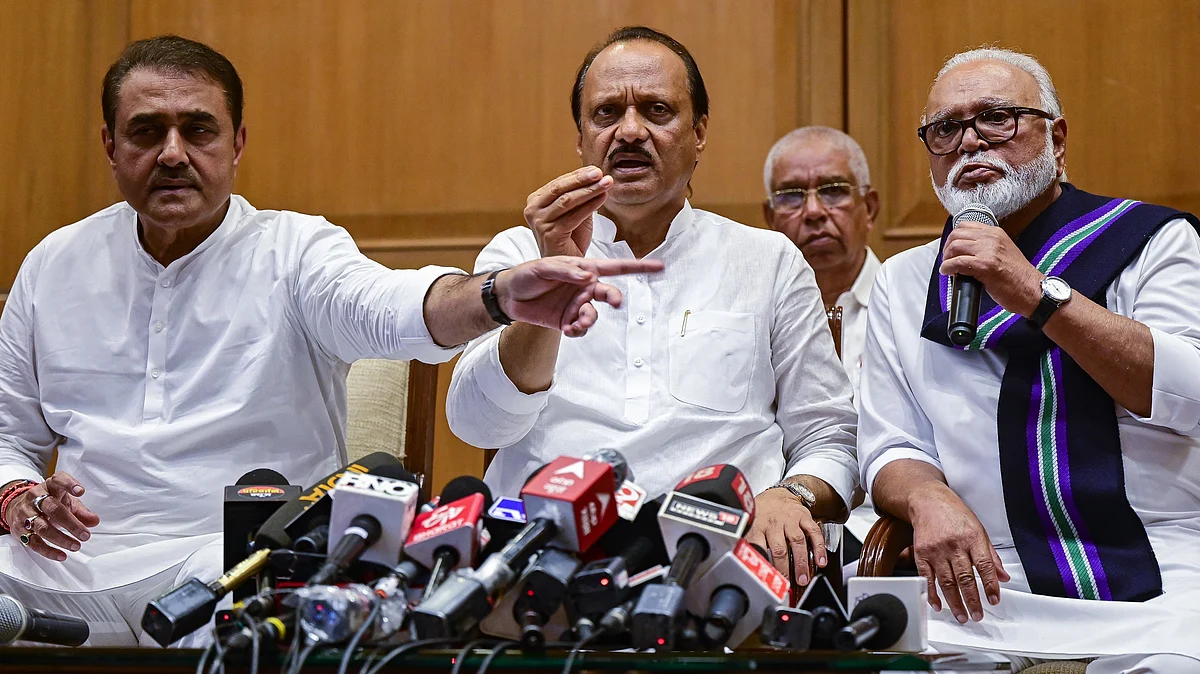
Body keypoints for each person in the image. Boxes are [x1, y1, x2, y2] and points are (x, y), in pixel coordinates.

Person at [0, 35, 660, 647]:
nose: (172, 152)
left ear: (237, 144)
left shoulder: (295, 251)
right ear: (111, 145)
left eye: (198, 129)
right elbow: (9, 437)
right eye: (147, 131)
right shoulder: (53, 265)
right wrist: (20, 497)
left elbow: (390, 308)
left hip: (235, 561)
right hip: (67, 568)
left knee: (272, 605)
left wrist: (495, 296)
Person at [446, 26, 858, 587]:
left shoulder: (767, 260)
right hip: (542, 563)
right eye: (607, 113)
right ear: (582, 138)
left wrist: (794, 494)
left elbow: (829, 433)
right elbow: (475, 423)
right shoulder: (520, 253)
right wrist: (544, 303)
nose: (630, 131)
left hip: (720, 564)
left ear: (700, 131)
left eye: (657, 110)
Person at [859, 47, 1200, 670]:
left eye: (996, 118)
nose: (969, 143)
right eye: (945, 129)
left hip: (1162, 575)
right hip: (984, 578)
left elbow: (1190, 400)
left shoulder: (1156, 241)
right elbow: (890, 443)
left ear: (1057, 137)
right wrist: (927, 501)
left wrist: (1036, 293)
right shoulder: (905, 280)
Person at [762, 126, 881, 396]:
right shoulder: (755, 316)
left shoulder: (909, 304)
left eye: (833, 190)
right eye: (791, 195)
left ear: (870, 208)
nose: (813, 211)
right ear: (771, 219)